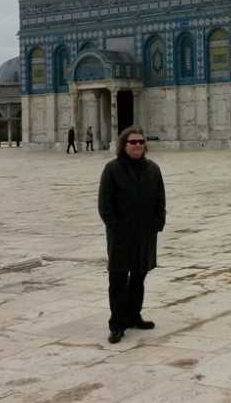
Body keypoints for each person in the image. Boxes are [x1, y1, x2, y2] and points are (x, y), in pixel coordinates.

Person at [97, 125, 166, 344]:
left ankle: (134, 316)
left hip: (145, 233)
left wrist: (158, 223)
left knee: (138, 277)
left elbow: (160, 199)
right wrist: (115, 227)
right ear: (123, 145)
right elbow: (104, 204)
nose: (138, 145)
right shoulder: (112, 169)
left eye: (140, 142)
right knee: (118, 279)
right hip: (120, 235)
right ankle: (117, 323)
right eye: (133, 142)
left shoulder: (152, 169)